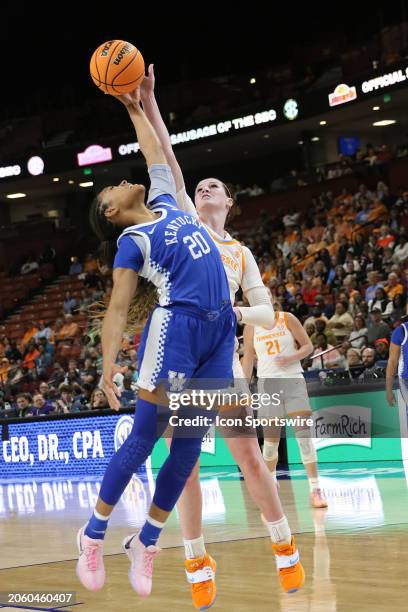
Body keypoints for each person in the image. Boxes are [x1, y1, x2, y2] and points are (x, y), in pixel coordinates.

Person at [139, 65, 305, 606]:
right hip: (179, 359)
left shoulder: (240, 253)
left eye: (217, 187)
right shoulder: (186, 226)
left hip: (221, 363)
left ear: (229, 203)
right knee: (181, 464)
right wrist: (145, 104)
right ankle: (195, 557)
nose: (205, 188)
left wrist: (231, 313)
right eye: (201, 186)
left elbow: (268, 311)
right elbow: (166, 160)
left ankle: (284, 547)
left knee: (250, 458)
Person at [76, 86, 240, 602]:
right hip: (178, 336)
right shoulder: (132, 242)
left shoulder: (167, 200)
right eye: (112, 189)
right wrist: (107, 366)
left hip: (219, 335)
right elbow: (120, 309)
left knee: (189, 447)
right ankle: (94, 533)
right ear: (111, 213)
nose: (123, 181)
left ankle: (146, 542)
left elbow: (152, 153)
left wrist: (135, 107)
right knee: (146, 437)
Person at [242, 293, 327, 508]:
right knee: (270, 444)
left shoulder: (287, 318)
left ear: (269, 299)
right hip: (268, 385)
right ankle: (270, 487)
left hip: (293, 381)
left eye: (264, 296)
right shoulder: (251, 327)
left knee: (304, 438)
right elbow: (249, 358)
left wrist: (291, 358)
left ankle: (315, 489)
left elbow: (307, 346)